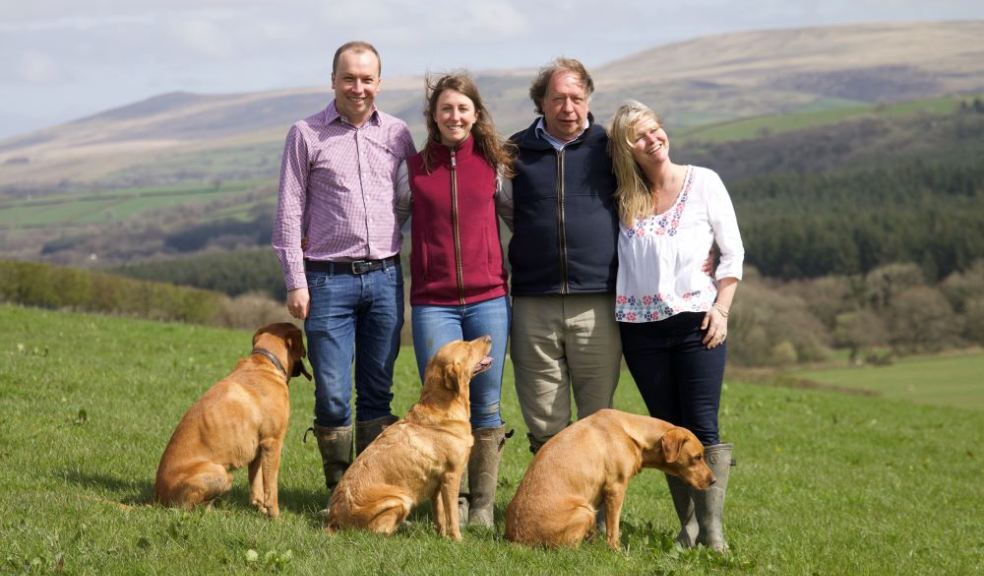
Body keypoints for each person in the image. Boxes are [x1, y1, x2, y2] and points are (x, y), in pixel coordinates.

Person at [272, 41, 416, 498]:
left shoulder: (397, 133)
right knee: (332, 393)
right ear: (333, 80)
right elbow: (289, 211)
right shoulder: (306, 133)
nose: (359, 87)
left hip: (385, 277)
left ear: (379, 82)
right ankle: (337, 488)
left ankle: (368, 488)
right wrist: (296, 280)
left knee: (378, 390)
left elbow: (409, 199)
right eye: (349, 78)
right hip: (326, 280)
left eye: (367, 78)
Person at [607, 100, 744, 552]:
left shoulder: (704, 182)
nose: (653, 140)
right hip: (641, 331)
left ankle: (714, 532)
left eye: (655, 130)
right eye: (639, 137)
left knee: (702, 426)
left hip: (696, 324)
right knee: (669, 433)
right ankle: (688, 530)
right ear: (628, 151)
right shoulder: (624, 199)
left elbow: (732, 253)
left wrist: (721, 308)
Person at [395, 73, 513, 528]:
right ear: (434, 116)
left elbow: (515, 220)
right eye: (446, 109)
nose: (455, 116)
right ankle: (453, 501)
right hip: (433, 305)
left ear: (475, 114)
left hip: (488, 300)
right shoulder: (413, 168)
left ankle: (482, 505)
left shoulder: (494, 165)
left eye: (463, 108)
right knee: (441, 401)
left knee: (485, 405)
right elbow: (394, 224)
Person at [500, 58, 622, 455]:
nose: (568, 108)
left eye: (576, 98)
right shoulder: (514, 152)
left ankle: (596, 511)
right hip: (534, 302)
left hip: (598, 301)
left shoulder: (612, 149)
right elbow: (505, 210)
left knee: (597, 417)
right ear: (541, 102)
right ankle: (552, 509)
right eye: (558, 99)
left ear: (588, 100)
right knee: (544, 419)